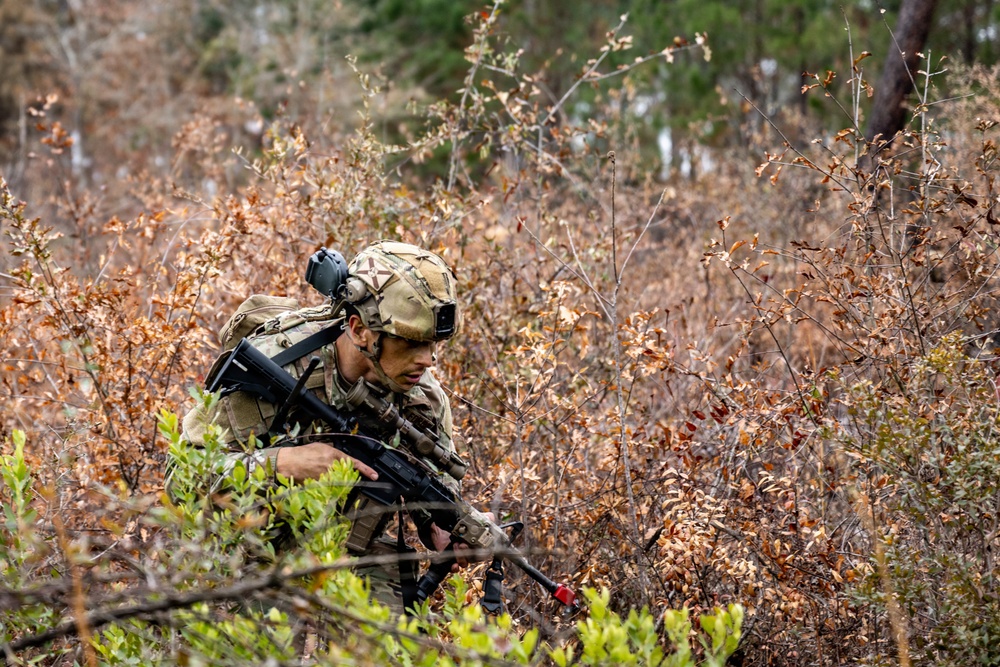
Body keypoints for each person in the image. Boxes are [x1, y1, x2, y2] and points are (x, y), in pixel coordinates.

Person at [179, 240, 484, 612]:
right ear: (358, 330)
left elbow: (433, 478)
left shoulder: (423, 397)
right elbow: (183, 477)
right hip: (254, 554)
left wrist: (436, 527)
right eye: (410, 342)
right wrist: (281, 464)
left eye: (435, 343)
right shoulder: (279, 365)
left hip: (352, 559)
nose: (428, 360)